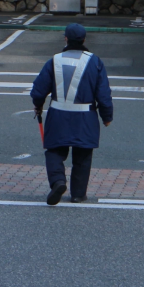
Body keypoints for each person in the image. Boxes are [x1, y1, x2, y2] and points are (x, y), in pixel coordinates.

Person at [30, 23, 113, 205]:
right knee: (82, 156)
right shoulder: (95, 62)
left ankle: (58, 182)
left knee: (54, 151)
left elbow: (38, 91)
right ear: (84, 40)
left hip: (58, 115)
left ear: (66, 39)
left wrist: (38, 105)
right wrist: (106, 117)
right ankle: (78, 194)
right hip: (85, 117)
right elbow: (104, 95)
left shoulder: (54, 60)